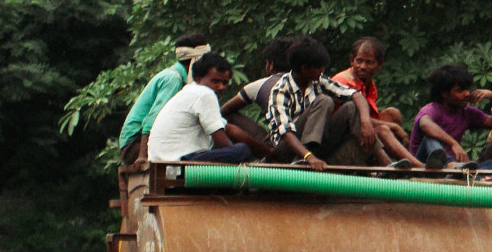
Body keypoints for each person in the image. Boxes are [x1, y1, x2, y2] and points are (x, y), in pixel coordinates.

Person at [262, 37, 375, 168]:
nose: (322, 70)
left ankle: (383, 160)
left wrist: (366, 122)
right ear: (305, 69)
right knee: (324, 101)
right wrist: (307, 155)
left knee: (351, 107)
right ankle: (302, 158)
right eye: (319, 67)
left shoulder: (318, 80)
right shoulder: (281, 90)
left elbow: (355, 94)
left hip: (317, 147)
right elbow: (286, 133)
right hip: (288, 150)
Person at [118, 30, 211, 165]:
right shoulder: (173, 79)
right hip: (134, 146)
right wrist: (143, 156)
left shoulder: (181, 79)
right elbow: (152, 119)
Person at [146, 53, 252, 164]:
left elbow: (228, 131)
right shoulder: (205, 93)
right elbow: (223, 143)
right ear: (198, 79)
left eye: (224, 83)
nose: (221, 87)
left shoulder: (188, 92)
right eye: (215, 81)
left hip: (160, 160)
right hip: (179, 162)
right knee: (242, 150)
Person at [332, 37, 416, 167]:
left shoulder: (370, 85)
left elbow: (369, 117)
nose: (363, 67)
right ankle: (418, 166)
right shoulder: (342, 81)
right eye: (359, 61)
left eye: (369, 62)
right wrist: (393, 126)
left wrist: (392, 123)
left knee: (393, 114)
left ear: (379, 64)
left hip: (361, 131)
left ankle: (400, 161)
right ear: (352, 61)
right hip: (342, 137)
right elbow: (355, 119)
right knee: (383, 129)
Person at [409, 64, 492, 169]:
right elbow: (425, 124)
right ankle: (450, 165)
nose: (467, 94)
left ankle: (462, 172)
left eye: (467, 89)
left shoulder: (467, 113)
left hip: (454, 168)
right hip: (424, 166)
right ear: (444, 93)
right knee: (429, 137)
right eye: (460, 91)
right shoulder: (431, 109)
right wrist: (453, 143)